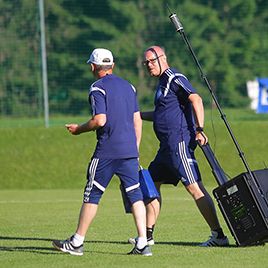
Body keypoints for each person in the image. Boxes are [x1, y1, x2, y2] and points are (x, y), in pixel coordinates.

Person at [52, 48, 152, 256]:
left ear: (93, 66)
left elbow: (100, 120)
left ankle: (77, 242)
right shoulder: (129, 87)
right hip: (129, 152)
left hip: (107, 151)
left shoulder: (97, 88)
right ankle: (143, 243)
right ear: (112, 66)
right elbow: (137, 120)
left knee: (92, 194)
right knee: (136, 195)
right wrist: (135, 148)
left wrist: (78, 129)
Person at [129, 45, 229, 247]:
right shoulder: (161, 84)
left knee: (195, 188)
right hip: (165, 149)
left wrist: (199, 129)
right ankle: (147, 236)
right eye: (145, 62)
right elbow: (161, 115)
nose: (148, 65)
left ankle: (219, 235)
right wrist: (134, 115)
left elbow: (196, 99)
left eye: (151, 60)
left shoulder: (174, 77)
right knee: (152, 183)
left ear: (162, 58)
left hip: (179, 144)